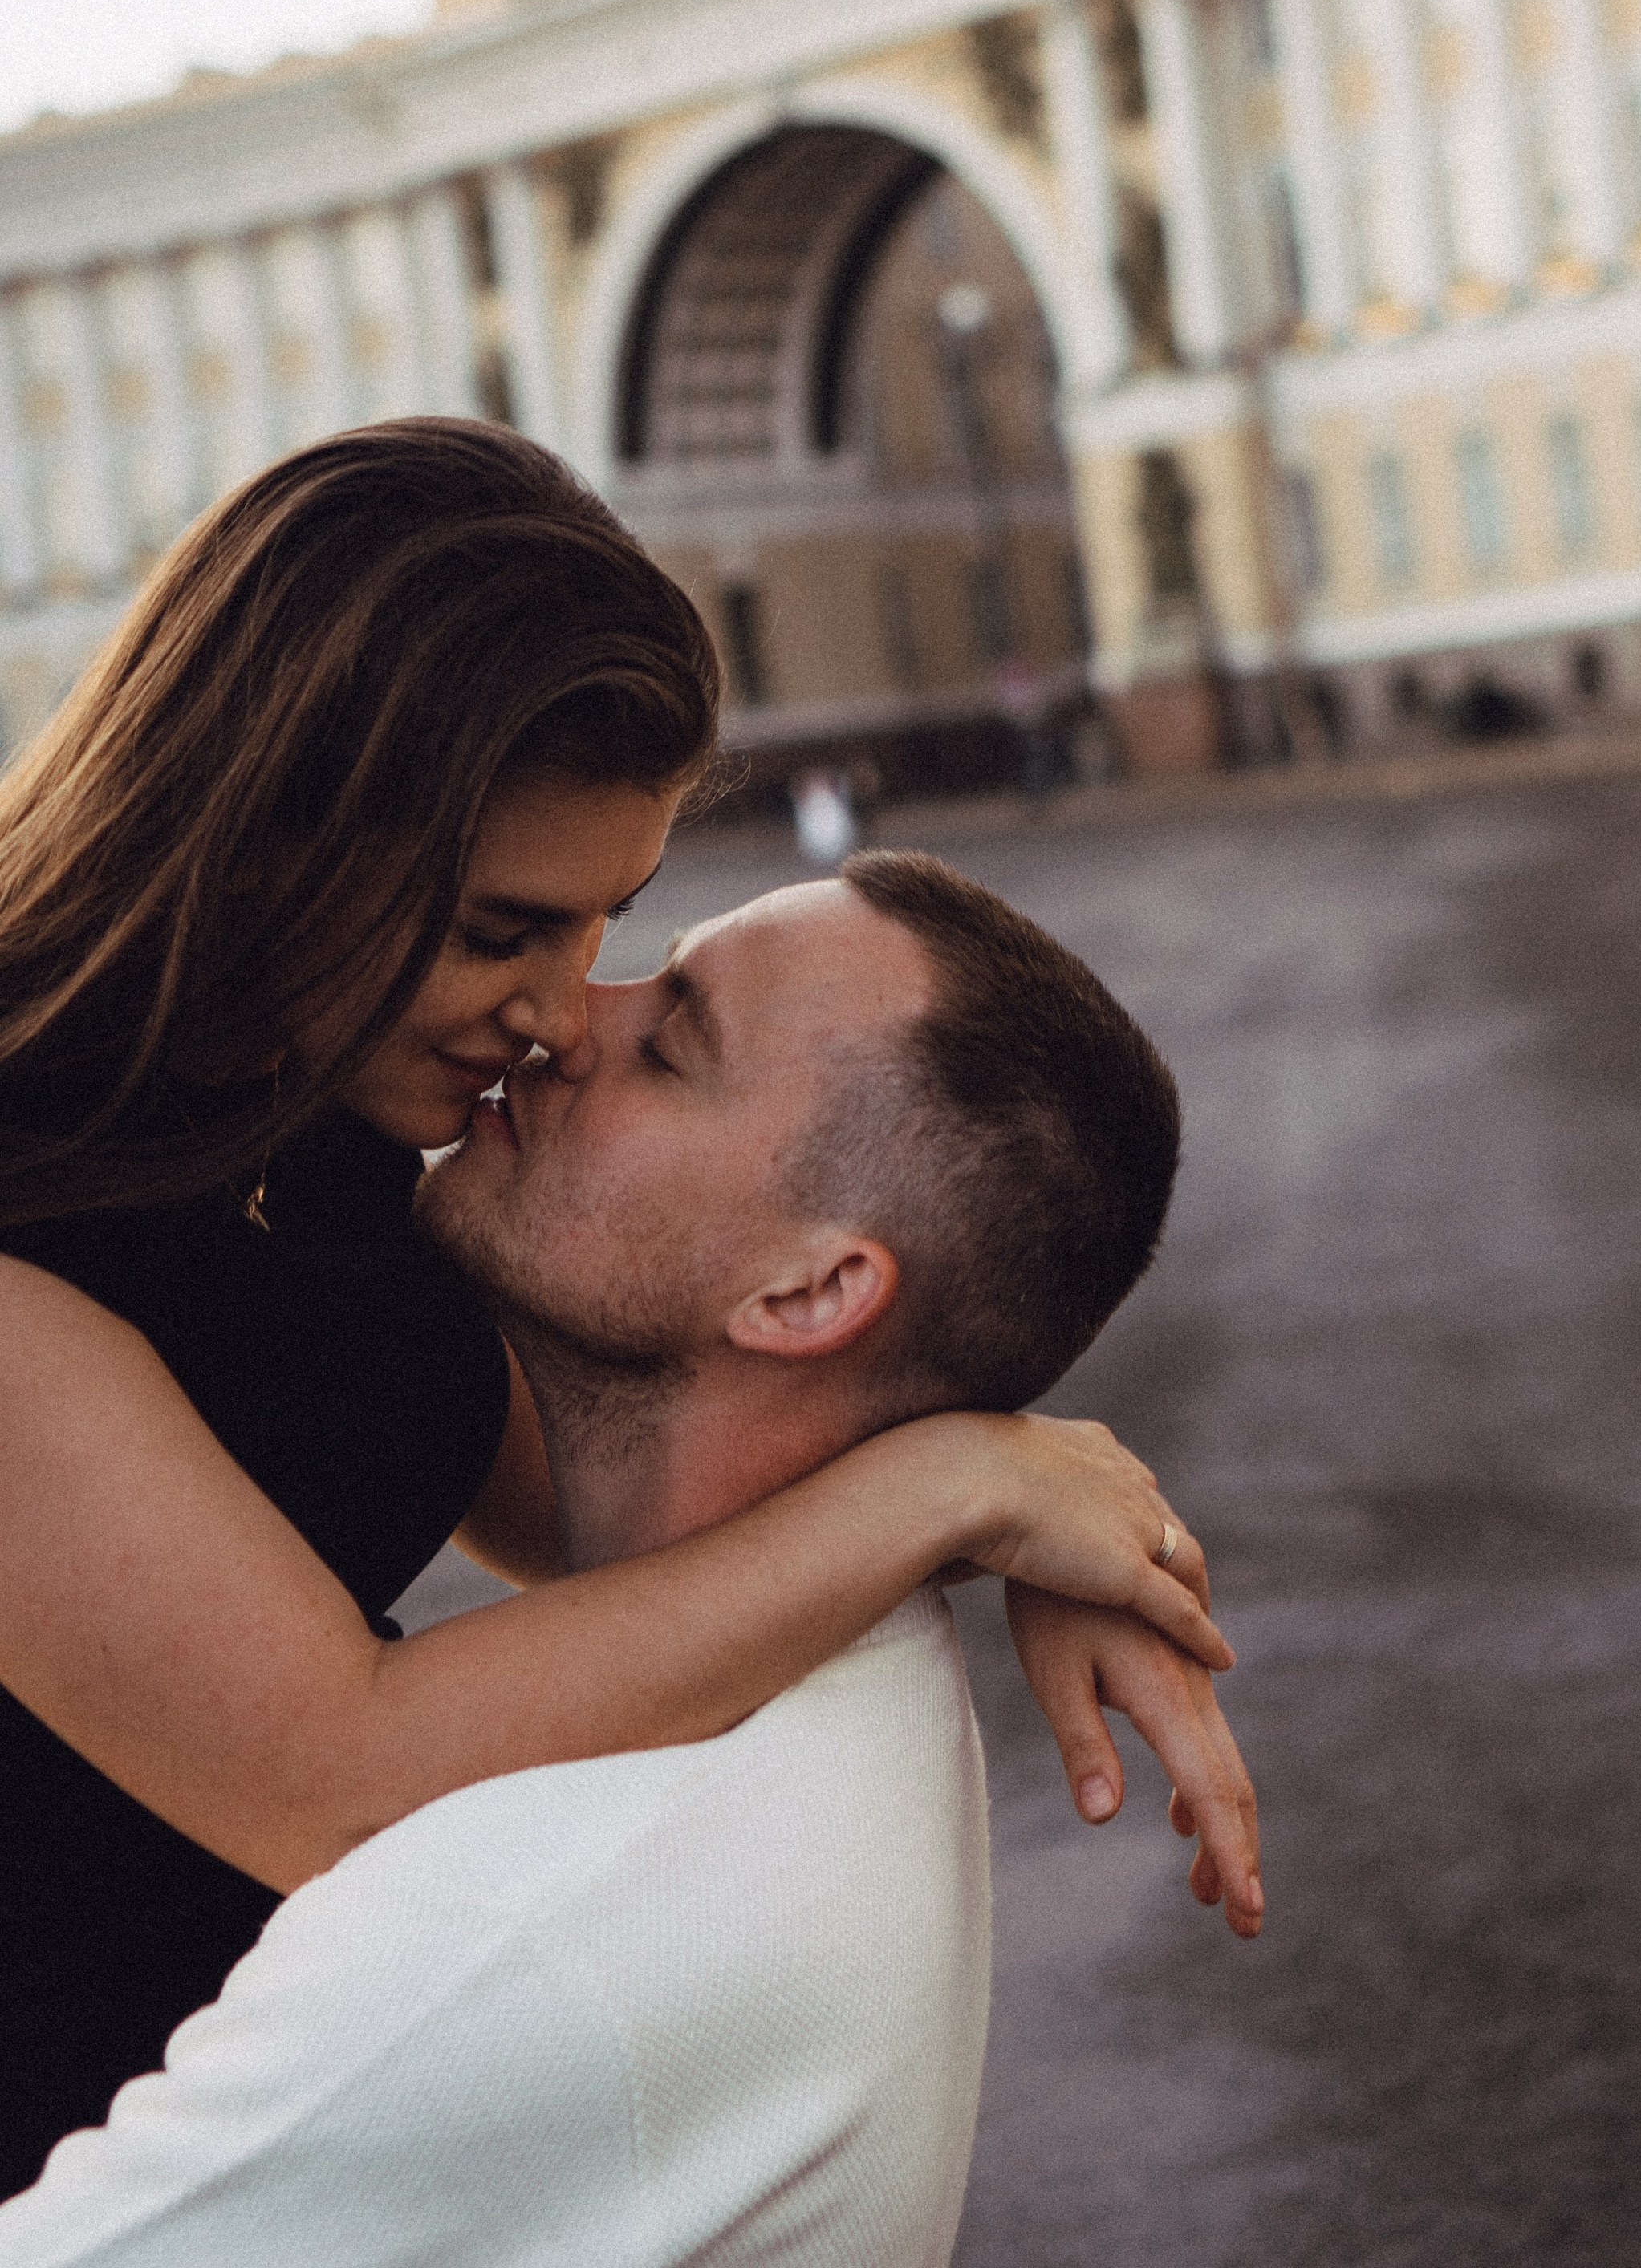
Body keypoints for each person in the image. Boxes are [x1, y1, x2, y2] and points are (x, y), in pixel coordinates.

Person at [0, 420, 1260, 2200]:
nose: (557, 1011)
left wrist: (1034, 1522)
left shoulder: (339, 1107)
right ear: (266, 828)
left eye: (607, 923)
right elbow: (335, 1770)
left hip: (294, 2096)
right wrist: (948, 1491)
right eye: (504, 928)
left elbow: (616, 1512)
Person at [2, 854, 1202, 2265]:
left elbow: (340, 1763)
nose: (569, 1023)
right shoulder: (832, 1663)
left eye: (673, 1039)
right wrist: (983, 1482)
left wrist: (981, 1484)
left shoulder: (519, 1945)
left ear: (809, 1292)